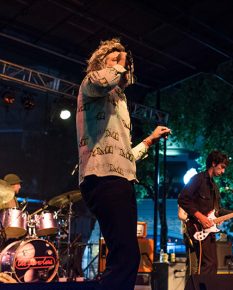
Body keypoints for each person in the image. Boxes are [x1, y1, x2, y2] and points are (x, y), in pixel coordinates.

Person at [76, 38, 170, 290]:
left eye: (124, 62)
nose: (122, 66)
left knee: (127, 255)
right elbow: (102, 79)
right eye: (114, 61)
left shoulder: (120, 100)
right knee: (125, 255)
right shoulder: (91, 84)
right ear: (101, 64)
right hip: (103, 177)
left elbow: (123, 154)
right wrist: (118, 58)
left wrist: (149, 141)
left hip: (120, 179)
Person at [178, 150, 233, 275]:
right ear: (214, 163)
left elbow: (217, 210)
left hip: (208, 229)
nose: (223, 171)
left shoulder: (214, 187)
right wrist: (201, 217)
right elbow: (183, 199)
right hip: (196, 226)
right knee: (206, 263)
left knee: (213, 264)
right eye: (222, 167)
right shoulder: (197, 179)